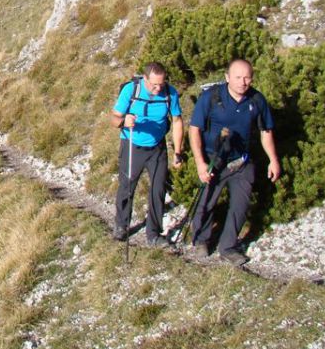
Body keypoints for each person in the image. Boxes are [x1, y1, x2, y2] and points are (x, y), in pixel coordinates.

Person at [188, 58, 281, 265]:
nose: (243, 82)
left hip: (242, 162)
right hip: (214, 158)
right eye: (238, 77)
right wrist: (200, 163)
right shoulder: (211, 97)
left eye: (247, 77)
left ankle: (228, 247)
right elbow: (195, 129)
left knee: (240, 205)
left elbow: (266, 131)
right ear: (227, 77)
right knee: (207, 202)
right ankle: (201, 240)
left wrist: (273, 160)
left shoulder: (257, 100)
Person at [110, 61, 184, 247]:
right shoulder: (130, 90)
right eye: (154, 85)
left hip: (157, 148)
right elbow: (114, 118)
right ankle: (121, 225)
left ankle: (154, 234)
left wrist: (178, 151)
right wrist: (123, 121)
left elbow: (177, 121)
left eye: (161, 84)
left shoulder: (170, 93)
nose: (158, 88)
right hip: (132, 144)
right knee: (127, 186)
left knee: (158, 189)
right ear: (145, 79)